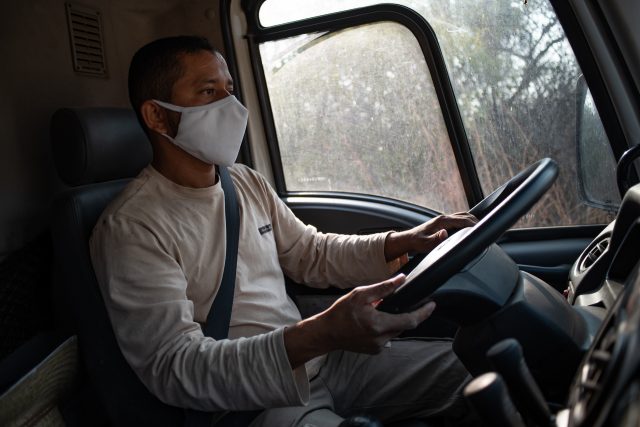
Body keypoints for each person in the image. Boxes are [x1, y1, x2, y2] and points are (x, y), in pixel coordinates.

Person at [90, 35, 478, 426]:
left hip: (328, 361)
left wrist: (400, 242)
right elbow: (177, 365)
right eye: (208, 92)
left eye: (229, 90)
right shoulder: (132, 226)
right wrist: (319, 333)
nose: (231, 106)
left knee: (479, 366)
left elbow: (311, 252)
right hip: (255, 400)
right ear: (157, 116)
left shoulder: (244, 181)